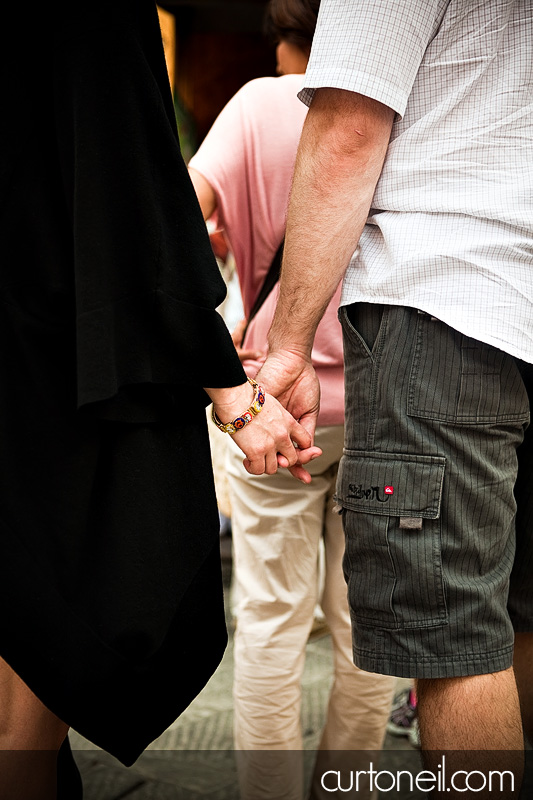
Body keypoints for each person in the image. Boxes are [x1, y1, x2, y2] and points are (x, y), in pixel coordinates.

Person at [0, 3, 318, 798]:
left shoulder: (249, 107)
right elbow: (133, 196)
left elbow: (183, 194)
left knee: (274, 614)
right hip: (50, 374)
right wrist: (234, 392)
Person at [256, 0, 533, 793]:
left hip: (449, 300)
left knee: (453, 640)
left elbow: (348, 127)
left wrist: (288, 344)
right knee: (516, 620)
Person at [188, 2, 396, 798]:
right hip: (383, 404)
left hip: (269, 407)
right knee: (371, 626)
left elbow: (176, 220)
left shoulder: (253, 104)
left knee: (272, 618)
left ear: (280, 35)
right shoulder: (387, 104)